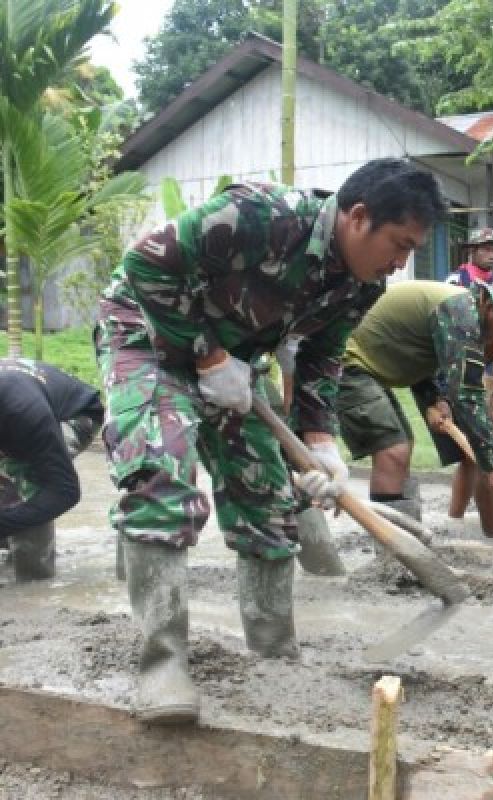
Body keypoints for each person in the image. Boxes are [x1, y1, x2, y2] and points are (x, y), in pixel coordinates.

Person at [96, 158, 446, 724]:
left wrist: (320, 442)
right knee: (161, 475)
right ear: (359, 217)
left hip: (235, 361)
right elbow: (144, 265)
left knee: (266, 494)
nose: (400, 262)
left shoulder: (362, 284)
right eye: (398, 244)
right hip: (148, 336)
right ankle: (162, 662)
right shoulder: (260, 216)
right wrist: (207, 354)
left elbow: (322, 356)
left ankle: (273, 647)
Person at [336, 277, 493, 537]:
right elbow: (467, 395)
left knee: (401, 447)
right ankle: (391, 555)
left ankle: (403, 543)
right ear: (487, 304)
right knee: (393, 450)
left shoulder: (464, 310)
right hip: (348, 363)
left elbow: (419, 350)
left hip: (372, 367)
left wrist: (435, 399)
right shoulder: (461, 315)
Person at [0, 359, 104, 582]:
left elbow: (64, 491)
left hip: (75, 412)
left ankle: (33, 580)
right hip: (24, 397)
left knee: (28, 480)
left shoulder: (24, 414)